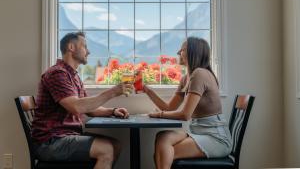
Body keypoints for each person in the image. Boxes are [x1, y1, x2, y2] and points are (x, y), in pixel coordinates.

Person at [31, 32, 133, 169]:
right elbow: (77, 107)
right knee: (106, 149)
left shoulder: (73, 76)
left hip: (66, 136)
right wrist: (113, 91)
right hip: (50, 141)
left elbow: (88, 107)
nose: (89, 51)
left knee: (115, 145)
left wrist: (113, 111)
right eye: (84, 46)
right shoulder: (57, 74)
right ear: (71, 47)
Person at [143, 37, 232, 169]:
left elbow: (185, 115)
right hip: (199, 132)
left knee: (162, 153)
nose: (178, 52)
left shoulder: (199, 74)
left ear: (192, 53)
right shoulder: (186, 78)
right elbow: (169, 107)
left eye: (182, 49)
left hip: (216, 139)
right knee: (162, 137)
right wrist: (147, 90)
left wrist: (159, 115)